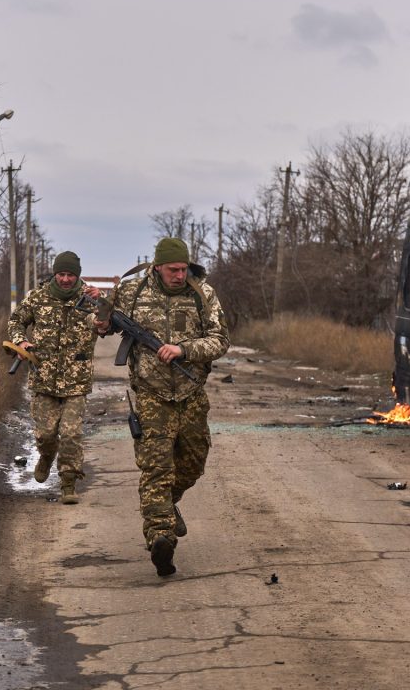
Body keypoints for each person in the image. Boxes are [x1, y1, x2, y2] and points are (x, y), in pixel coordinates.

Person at [96, 238, 229, 577]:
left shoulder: (202, 294)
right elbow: (103, 324)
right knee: (156, 469)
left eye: (184, 269)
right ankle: (160, 538)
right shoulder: (132, 292)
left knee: (193, 464)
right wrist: (100, 321)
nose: (179, 275)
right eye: (173, 270)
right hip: (151, 396)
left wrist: (184, 349)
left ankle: (167, 506)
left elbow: (220, 340)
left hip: (191, 394)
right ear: (157, 267)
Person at [7, 251, 101, 504]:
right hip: (44, 377)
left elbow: (110, 323)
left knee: (71, 434)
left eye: (71, 275)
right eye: (61, 274)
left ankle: (68, 483)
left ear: (78, 275)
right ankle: (47, 455)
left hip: (76, 379)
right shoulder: (38, 297)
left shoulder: (90, 299)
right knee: (45, 434)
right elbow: (16, 321)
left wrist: (104, 303)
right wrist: (21, 341)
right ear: (55, 273)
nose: (66, 279)